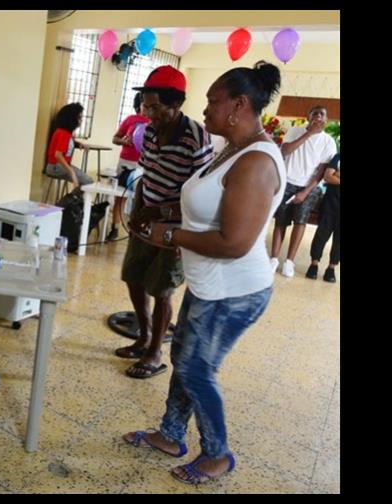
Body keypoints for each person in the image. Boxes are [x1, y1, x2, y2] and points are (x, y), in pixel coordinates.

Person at [122, 61, 285, 485]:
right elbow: (207, 208)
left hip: (236, 291)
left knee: (197, 369)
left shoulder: (256, 162)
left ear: (239, 105)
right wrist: (161, 214)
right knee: (184, 359)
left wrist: (172, 236)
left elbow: (235, 242)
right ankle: (171, 434)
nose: (206, 109)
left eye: (214, 101)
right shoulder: (231, 149)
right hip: (209, 282)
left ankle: (218, 454)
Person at [114, 65, 214, 380]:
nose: (149, 113)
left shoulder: (197, 136)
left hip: (177, 226)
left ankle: (156, 352)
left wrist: (166, 218)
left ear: (176, 104)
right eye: (145, 106)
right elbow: (146, 176)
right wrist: (138, 212)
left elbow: (202, 190)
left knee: (162, 288)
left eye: (155, 107)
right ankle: (143, 337)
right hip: (146, 219)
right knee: (134, 276)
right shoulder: (152, 131)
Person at [269, 106, 337, 277]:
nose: (318, 116)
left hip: (308, 187)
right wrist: (308, 134)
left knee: (300, 222)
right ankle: (274, 258)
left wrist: (305, 192)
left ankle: (289, 261)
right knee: (280, 221)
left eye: (322, 114)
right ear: (308, 117)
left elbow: (322, 171)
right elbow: (285, 151)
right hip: (287, 182)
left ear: (326, 120)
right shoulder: (295, 131)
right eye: (315, 113)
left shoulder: (328, 141)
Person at [107, 92, 151, 240]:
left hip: (143, 165)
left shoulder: (155, 122)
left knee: (141, 199)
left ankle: (137, 231)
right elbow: (115, 138)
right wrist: (124, 142)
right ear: (139, 105)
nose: (147, 108)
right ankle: (115, 228)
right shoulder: (130, 120)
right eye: (145, 104)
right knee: (121, 197)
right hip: (126, 163)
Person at [306, 152, 340, 282]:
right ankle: (314, 264)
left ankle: (331, 268)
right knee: (321, 234)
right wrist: (332, 175)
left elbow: (333, 176)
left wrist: (337, 175)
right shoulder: (338, 157)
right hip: (330, 204)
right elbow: (327, 177)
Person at [44, 102, 94, 190]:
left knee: (87, 181)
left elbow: (67, 144)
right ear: (72, 119)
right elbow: (58, 155)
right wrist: (71, 173)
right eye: (79, 117)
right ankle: (72, 202)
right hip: (55, 167)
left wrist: (78, 144)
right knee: (88, 182)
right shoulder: (63, 133)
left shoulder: (65, 133)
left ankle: (74, 201)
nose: (81, 120)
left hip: (57, 166)